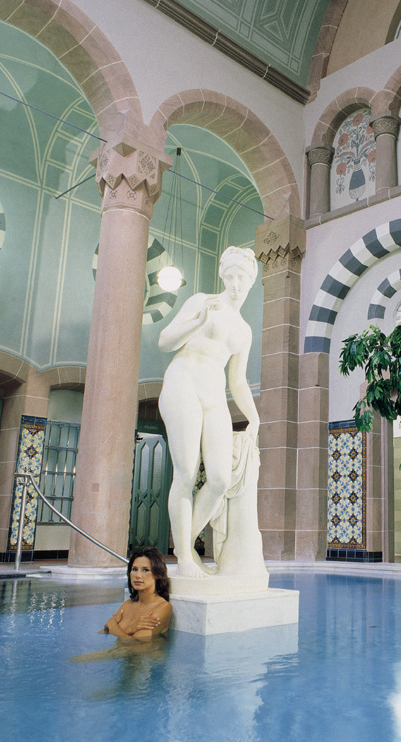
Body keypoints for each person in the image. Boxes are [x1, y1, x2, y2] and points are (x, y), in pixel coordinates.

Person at [158, 246, 260, 578]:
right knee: (186, 473)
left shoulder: (244, 330)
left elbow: (238, 381)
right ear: (222, 276)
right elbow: (165, 341)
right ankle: (185, 560)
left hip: (214, 394)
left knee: (219, 479)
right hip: (183, 382)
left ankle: (183, 545)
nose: (235, 284)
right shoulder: (202, 301)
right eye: (230, 276)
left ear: (251, 281)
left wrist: (254, 416)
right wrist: (199, 320)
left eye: (242, 277)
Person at [102, 547, 172, 639]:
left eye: (145, 570)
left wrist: (114, 626)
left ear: (157, 574)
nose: (138, 575)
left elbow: (135, 645)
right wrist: (114, 627)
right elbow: (104, 632)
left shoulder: (162, 608)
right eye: (134, 569)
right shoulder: (127, 605)